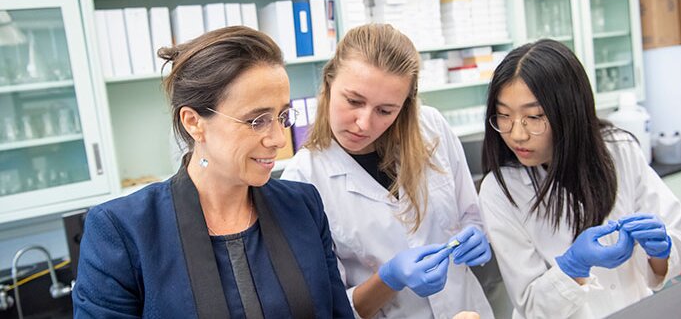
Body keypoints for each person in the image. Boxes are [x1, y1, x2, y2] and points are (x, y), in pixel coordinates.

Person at [72, 26, 353, 318]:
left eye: (282, 116)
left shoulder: (302, 205)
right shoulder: (121, 231)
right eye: (257, 121)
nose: (279, 139)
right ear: (194, 122)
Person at [281, 23, 495, 319]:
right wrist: (389, 278)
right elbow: (329, 308)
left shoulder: (431, 127)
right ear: (329, 83)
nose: (364, 124)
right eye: (354, 101)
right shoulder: (302, 179)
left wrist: (477, 234)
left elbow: (469, 214)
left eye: (385, 110)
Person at [478, 39, 681, 319]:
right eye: (504, 116)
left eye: (533, 117)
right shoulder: (500, 191)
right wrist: (572, 267)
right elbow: (530, 306)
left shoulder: (618, 150)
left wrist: (660, 250)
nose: (517, 134)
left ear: (569, 112)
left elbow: (677, 244)